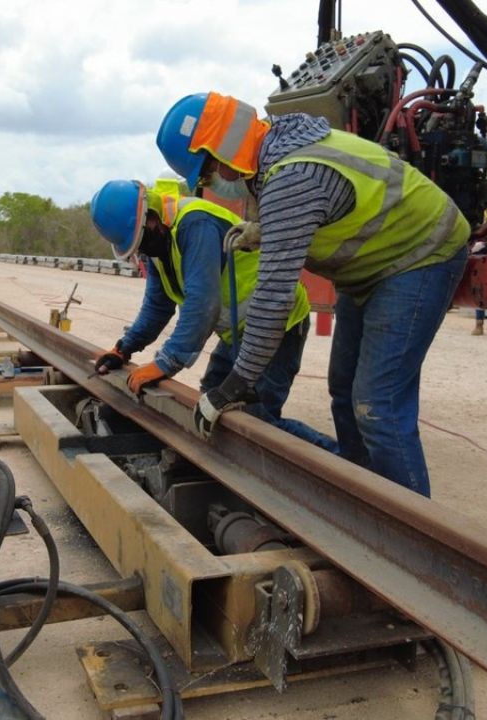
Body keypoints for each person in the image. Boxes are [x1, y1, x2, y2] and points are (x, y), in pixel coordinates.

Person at [156, 91, 469, 497]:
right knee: (344, 390)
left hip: (420, 255)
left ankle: (419, 537)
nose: (215, 180)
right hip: (374, 268)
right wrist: (264, 232)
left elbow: (273, 297)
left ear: (220, 149)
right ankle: (364, 500)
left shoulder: (290, 175)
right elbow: (320, 207)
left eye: (209, 169)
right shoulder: (279, 152)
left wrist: (235, 383)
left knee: (378, 404)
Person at [90, 179, 336, 452]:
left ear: (152, 218)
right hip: (237, 331)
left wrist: (166, 362)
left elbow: (202, 303)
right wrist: (124, 348)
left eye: (140, 242)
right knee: (211, 402)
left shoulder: (196, 224)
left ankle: (343, 465)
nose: (143, 251)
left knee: (256, 422)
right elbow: (157, 307)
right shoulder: (158, 242)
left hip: (276, 325)